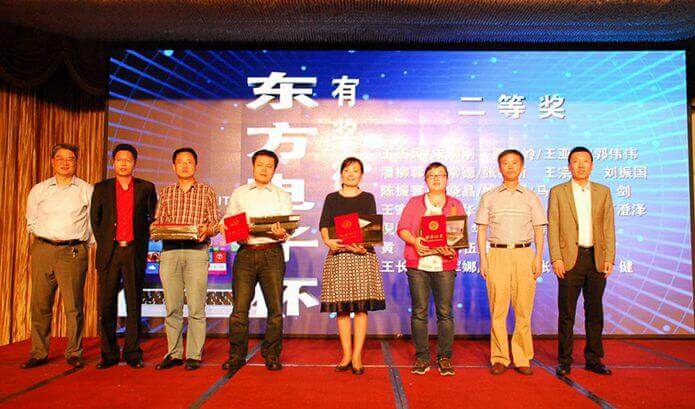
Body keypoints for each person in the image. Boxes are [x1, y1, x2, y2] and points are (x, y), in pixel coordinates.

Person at [475, 149, 547, 376]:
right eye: (505, 163)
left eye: (514, 163)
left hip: (525, 254)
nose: (510, 166)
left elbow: (539, 229)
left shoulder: (531, 196)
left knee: (523, 309)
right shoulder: (489, 196)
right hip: (497, 254)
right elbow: (481, 230)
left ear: (522, 167)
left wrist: (538, 257)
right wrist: (483, 258)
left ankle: (522, 356)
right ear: (499, 168)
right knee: (498, 309)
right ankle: (499, 357)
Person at [22, 143, 93, 369]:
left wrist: (83, 244)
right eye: (60, 158)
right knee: (40, 304)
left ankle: (74, 352)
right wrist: (47, 239)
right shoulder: (39, 190)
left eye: (70, 158)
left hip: (72, 251)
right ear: (53, 161)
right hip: (43, 249)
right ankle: (38, 352)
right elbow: (31, 220)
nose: (65, 162)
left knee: (73, 306)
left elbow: (92, 223)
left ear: (76, 162)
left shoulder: (86, 189)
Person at [221, 149, 292, 372]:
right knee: (239, 309)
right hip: (245, 253)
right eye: (260, 165)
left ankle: (272, 354)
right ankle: (236, 355)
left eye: (269, 166)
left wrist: (281, 232)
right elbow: (228, 223)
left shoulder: (282, 195)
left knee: (275, 309)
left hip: (272, 253)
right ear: (253, 167)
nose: (264, 169)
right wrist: (236, 230)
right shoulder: (240, 193)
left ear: (274, 170)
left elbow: (286, 229)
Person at [548, 146, 615, 376]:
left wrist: (610, 257)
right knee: (567, 312)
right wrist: (556, 257)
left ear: (592, 165)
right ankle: (564, 360)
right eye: (576, 161)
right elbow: (553, 227)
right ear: (569, 166)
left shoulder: (603, 191)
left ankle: (593, 359)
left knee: (595, 311)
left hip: (596, 258)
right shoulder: (558, 192)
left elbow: (608, 227)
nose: (581, 165)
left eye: (585, 161)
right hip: (569, 260)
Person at [90, 144, 157, 369]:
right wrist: (106, 243)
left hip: (134, 251)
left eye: (128, 160)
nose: (123, 163)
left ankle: (132, 353)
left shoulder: (146, 188)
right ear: (113, 162)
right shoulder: (101, 188)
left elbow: (151, 219)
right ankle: (108, 355)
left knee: (134, 303)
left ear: (134, 163)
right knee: (107, 304)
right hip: (110, 252)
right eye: (119, 159)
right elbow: (95, 220)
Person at [152, 147, 219, 371]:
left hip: (196, 252)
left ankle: (193, 355)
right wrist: (155, 227)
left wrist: (207, 230)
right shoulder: (166, 192)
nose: (185, 165)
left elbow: (215, 224)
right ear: (174, 166)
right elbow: (160, 221)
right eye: (180, 162)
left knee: (196, 306)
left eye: (189, 162)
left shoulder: (207, 191)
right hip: (170, 252)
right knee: (172, 306)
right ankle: (173, 353)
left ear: (196, 166)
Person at [397, 162, 465, 376]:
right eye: (431, 175)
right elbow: (402, 228)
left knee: (445, 312)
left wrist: (450, 248)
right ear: (425, 180)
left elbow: (458, 238)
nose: (436, 179)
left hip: (444, 265)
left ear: (447, 179)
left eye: (440, 175)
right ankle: (422, 357)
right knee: (419, 311)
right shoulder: (414, 203)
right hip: (418, 265)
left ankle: (444, 357)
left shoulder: (455, 204)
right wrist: (415, 241)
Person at [319, 157, 385, 375]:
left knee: (361, 308)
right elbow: (324, 225)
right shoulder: (332, 198)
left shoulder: (367, 198)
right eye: (347, 170)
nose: (350, 174)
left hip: (362, 256)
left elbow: (371, 228)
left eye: (355, 170)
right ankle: (346, 354)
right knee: (342, 308)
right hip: (339, 256)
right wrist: (328, 242)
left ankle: (357, 355)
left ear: (361, 175)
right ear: (341, 173)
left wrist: (362, 246)